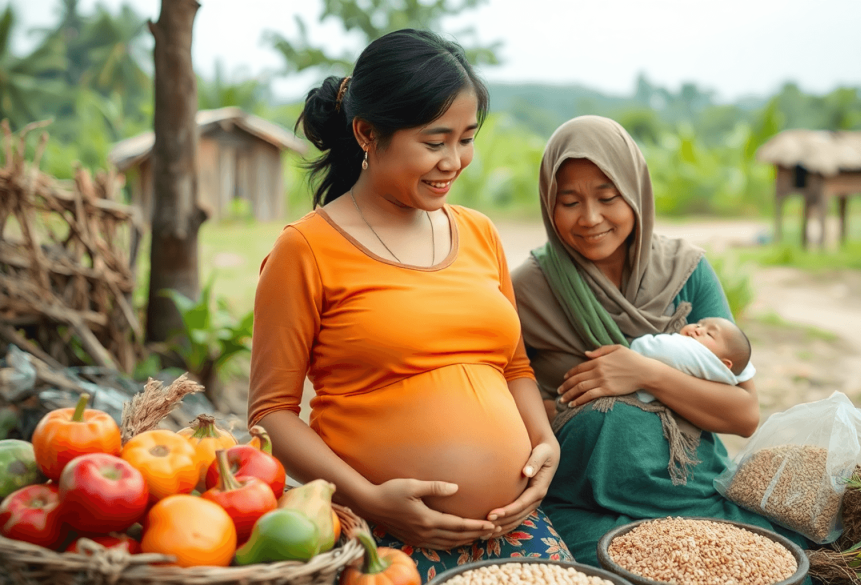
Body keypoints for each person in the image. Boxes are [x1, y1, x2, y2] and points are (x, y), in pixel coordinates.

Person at [247, 29, 571, 582]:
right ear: (367, 133)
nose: (455, 161)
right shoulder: (306, 249)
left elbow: (513, 366)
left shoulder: (479, 232)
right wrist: (370, 498)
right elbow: (271, 414)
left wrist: (544, 444)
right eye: (434, 141)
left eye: (466, 139)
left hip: (512, 527)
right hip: (380, 537)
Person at [511, 115, 809, 568]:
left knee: (763, 568)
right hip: (583, 503)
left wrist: (645, 373)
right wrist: (568, 411)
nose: (590, 218)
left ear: (635, 192)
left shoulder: (686, 271)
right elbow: (508, 404)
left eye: (608, 198)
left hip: (693, 492)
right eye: (569, 201)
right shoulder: (528, 290)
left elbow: (744, 414)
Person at [630, 317, 754, 404]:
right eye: (699, 324)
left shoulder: (699, 357)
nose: (698, 329)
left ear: (724, 364)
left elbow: (648, 348)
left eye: (710, 334)